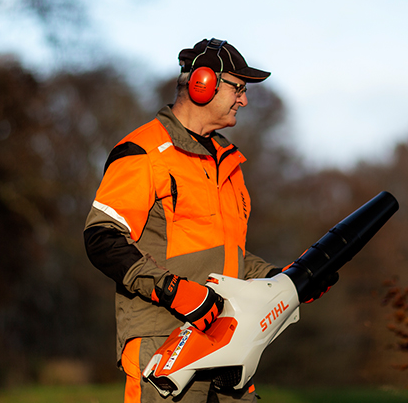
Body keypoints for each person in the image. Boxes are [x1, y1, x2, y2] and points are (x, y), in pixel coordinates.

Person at [83, 38, 281, 402]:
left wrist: (281, 279)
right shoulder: (142, 152)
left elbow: (228, 255)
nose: (245, 100)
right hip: (165, 347)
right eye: (238, 88)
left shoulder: (228, 162)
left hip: (229, 345)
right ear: (202, 84)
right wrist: (174, 290)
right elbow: (102, 239)